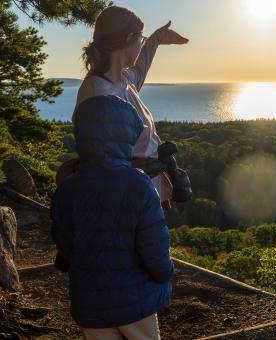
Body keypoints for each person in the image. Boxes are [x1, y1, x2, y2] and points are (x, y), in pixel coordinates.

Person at [51, 94, 174, 339]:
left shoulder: (68, 189)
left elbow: (65, 244)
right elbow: (154, 246)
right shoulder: (138, 185)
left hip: (90, 301)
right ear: (126, 137)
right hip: (136, 301)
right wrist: (165, 273)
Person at [74, 6, 189, 209]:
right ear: (128, 39)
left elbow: (141, 67)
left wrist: (155, 39)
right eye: (140, 39)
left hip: (143, 190)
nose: (141, 44)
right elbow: (103, 164)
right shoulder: (99, 93)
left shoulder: (123, 80)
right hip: (126, 202)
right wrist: (147, 167)